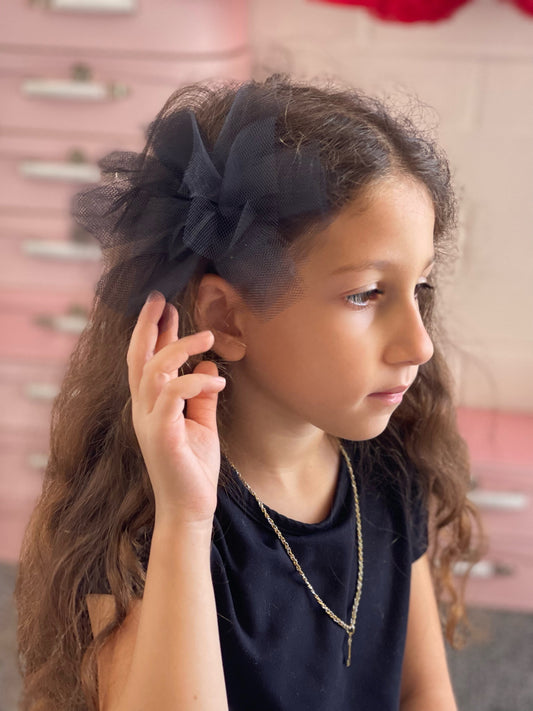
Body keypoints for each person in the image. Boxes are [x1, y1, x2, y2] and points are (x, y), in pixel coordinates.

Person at [15, 74, 482, 711]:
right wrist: (186, 518)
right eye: (365, 294)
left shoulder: (388, 464)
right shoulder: (142, 520)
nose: (420, 344)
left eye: (419, 289)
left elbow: (424, 691)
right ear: (228, 318)